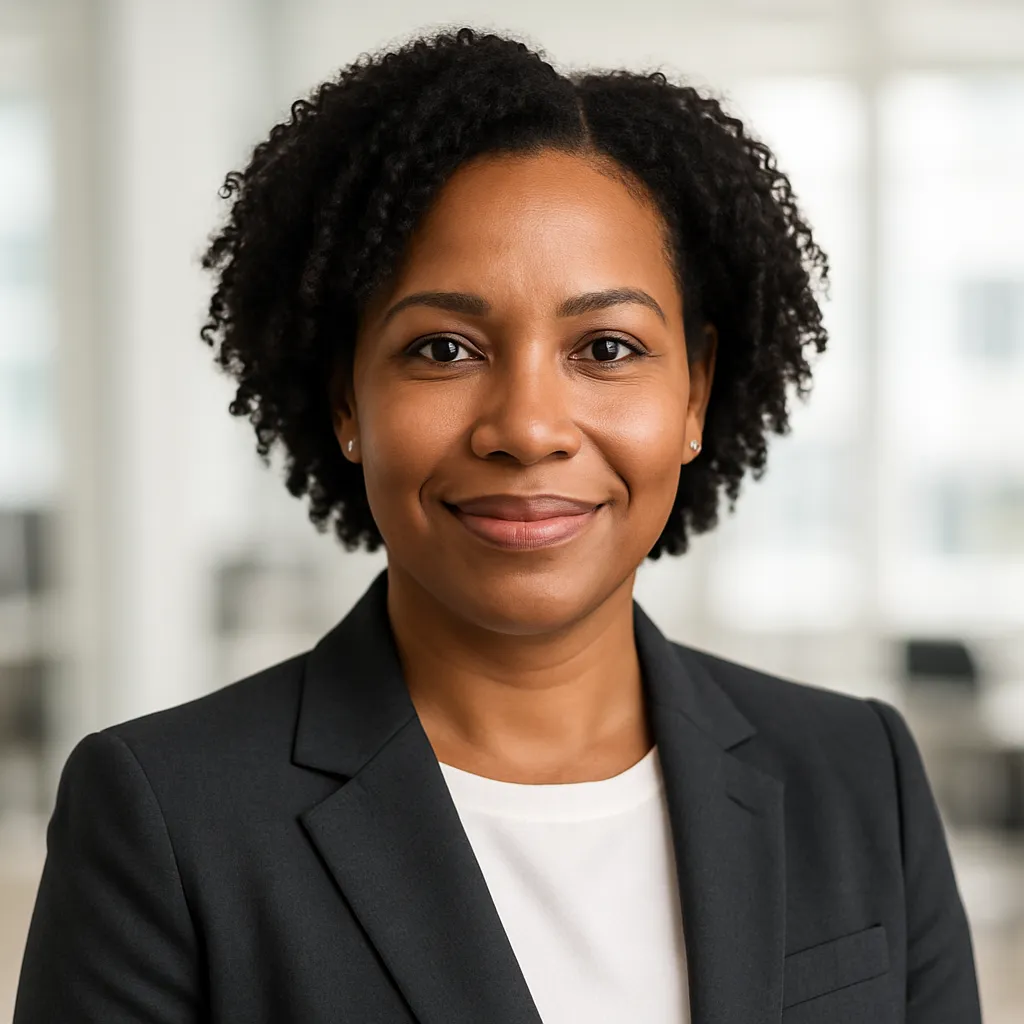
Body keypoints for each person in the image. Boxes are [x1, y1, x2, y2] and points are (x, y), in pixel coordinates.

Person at [14, 26, 981, 1024]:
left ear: (694, 391)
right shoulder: (167, 818)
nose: (526, 427)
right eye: (442, 347)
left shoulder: (859, 773)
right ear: (347, 397)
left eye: (605, 346)